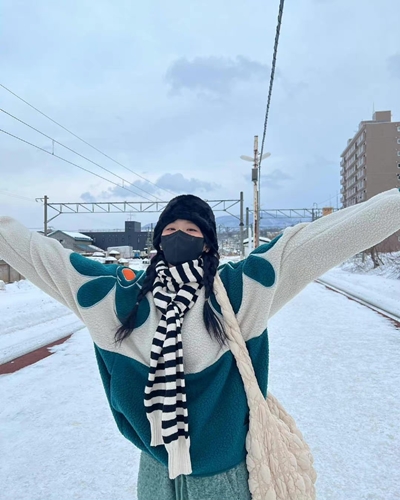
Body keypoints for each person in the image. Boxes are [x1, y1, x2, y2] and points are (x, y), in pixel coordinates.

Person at [1, 190, 400, 500]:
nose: (180, 235)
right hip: (156, 469)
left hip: (225, 473)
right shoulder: (117, 296)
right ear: (158, 240)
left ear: (208, 243)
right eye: (171, 229)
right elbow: (41, 254)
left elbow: (312, 243)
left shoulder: (238, 291)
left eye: (192, 231)